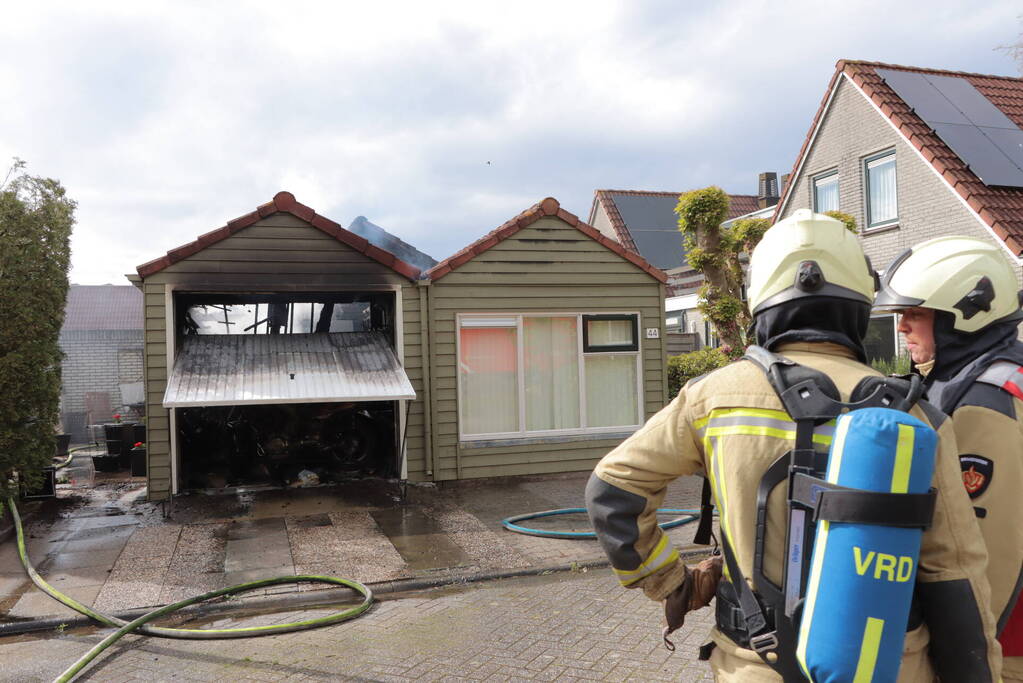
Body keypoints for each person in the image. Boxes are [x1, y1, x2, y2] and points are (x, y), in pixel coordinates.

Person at [585, 210, 1001, 681]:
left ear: (761, 300)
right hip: (884, 665)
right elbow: (956, 573)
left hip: (752, 666)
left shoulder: (712, 398)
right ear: (858, 305)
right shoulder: (914, 413)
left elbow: (612, 491)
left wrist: (670, 581)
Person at [875, 235, 1023, 681]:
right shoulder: (966, 376)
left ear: (965, 315)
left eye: (914, 314)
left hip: (1003, 647)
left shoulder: (985, 399)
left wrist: (968, 660)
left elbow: (990, 547)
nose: (901, 327)